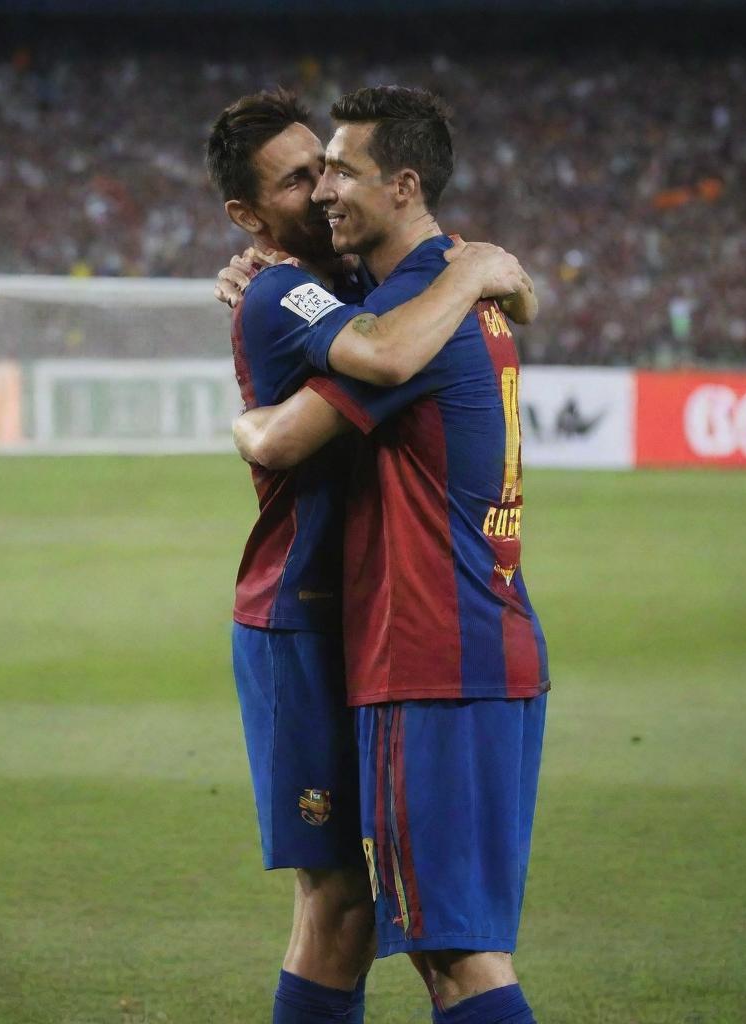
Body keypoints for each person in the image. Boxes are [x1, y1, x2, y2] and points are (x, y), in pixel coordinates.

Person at [207, 88, 538, 1024]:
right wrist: (476, 271)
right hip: (303, 618)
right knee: (343, 907)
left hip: (401, 626)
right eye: (297, 180)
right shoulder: (290, 289)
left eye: (330, 167)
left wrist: (482, 270)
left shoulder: (384, 290)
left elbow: (431, 324)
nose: (318, 193)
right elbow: (371, 368)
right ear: (245, 216)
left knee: (412, 929)